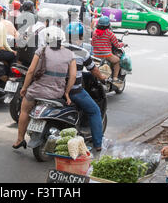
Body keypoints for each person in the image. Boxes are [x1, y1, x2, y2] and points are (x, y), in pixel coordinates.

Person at [12, 27, 77, 149]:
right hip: (56, 93)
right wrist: (67, 93)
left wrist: (24, 88)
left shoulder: (41, 50)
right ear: (62, 39)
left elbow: (31, 71)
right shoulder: (70, 54)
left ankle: (20, 139)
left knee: (25, 110)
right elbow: (73, 76)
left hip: (36, 91)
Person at [64, 22, 108, 151]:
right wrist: (102, 78)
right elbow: (94, 70)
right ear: (81, 37)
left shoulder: (57, 47)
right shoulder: (82, 52)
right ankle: (98, 144)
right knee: (95, 111)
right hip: (74, 91)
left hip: (54, 88)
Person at [92, 16, 126, 86]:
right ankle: (115, 78)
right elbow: (117, 45)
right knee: (117, 61)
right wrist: (123, 44)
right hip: (107, 55)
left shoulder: (94, 33)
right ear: (108, 25)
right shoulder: (110, 34)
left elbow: (92, 43)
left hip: (95, 55)